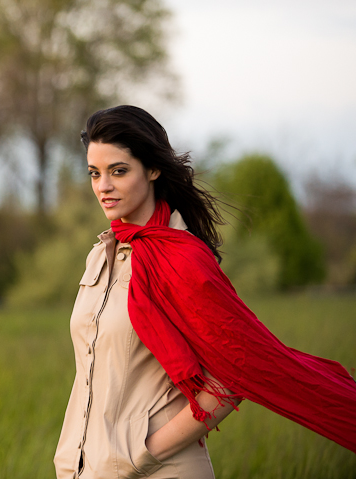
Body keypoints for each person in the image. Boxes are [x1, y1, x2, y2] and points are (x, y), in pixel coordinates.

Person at [53, 105, 356, 479]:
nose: (103, 186)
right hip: (83, 469)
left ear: (152, 169)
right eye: (94, 174)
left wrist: (143, 454)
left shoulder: (183, 257)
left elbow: (235, 372)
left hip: (159, 469)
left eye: (118, 171)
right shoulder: (103, 253)